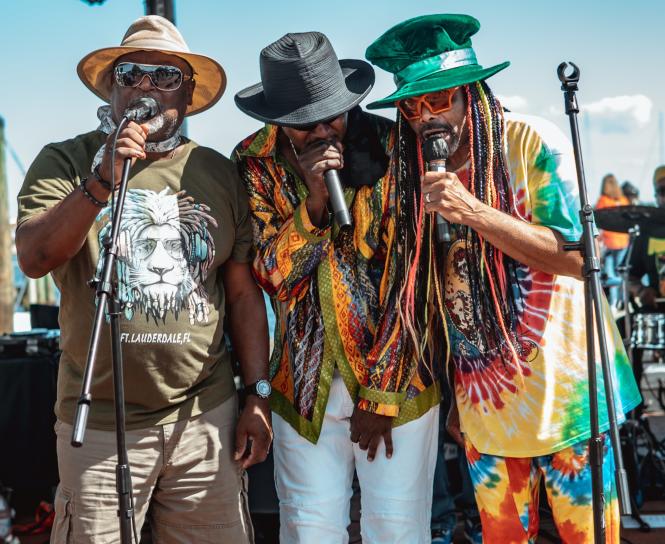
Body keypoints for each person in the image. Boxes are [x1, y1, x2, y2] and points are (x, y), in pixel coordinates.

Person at [365, 14, 641, 543]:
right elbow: (438, 296)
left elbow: (581, 259)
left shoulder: (531, 142)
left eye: (439, 99)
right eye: (412, 105)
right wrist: (455, 395)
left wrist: (475, 212)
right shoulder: (411, 174)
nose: (426, 118)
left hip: (569, 402)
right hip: (486, 413)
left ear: (471, 92)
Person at [16, 16, 272, 543]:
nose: (146, 87)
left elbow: (243, 294)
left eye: (165, 77)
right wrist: (99, 182)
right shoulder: (64, 160)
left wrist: (257, 395)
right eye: (132, 74)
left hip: (204, 416)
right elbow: (35, 257)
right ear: (113, 86)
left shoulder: (219, 171)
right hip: (100, 422)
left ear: (188, 93)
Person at [233, 32, 441, 543]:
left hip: (395, 379)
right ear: (278, 121)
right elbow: (272, 276)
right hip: (302, 385)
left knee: (396, 528)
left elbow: (410, 276)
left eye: (334, 115)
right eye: (306, 124)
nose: (325, 130)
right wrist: (313, 206)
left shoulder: (395, 148)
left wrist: (383, 394)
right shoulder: (253, 162)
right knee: (308, 528)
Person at [628, 165, 665, 412]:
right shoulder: (647, 233)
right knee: (624, 337)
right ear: (655, 195)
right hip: (657, 311)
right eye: (663, 190)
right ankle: (635, 413)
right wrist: (642, 292)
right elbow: (630, 276)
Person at [595, 174, 629, 307]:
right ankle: (623, 301)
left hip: (610, 242)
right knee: (621, 272)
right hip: (624, 241)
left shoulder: (603, 201)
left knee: (610, 274)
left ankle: (614, 303)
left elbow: (597, 221)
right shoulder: (624, 200)